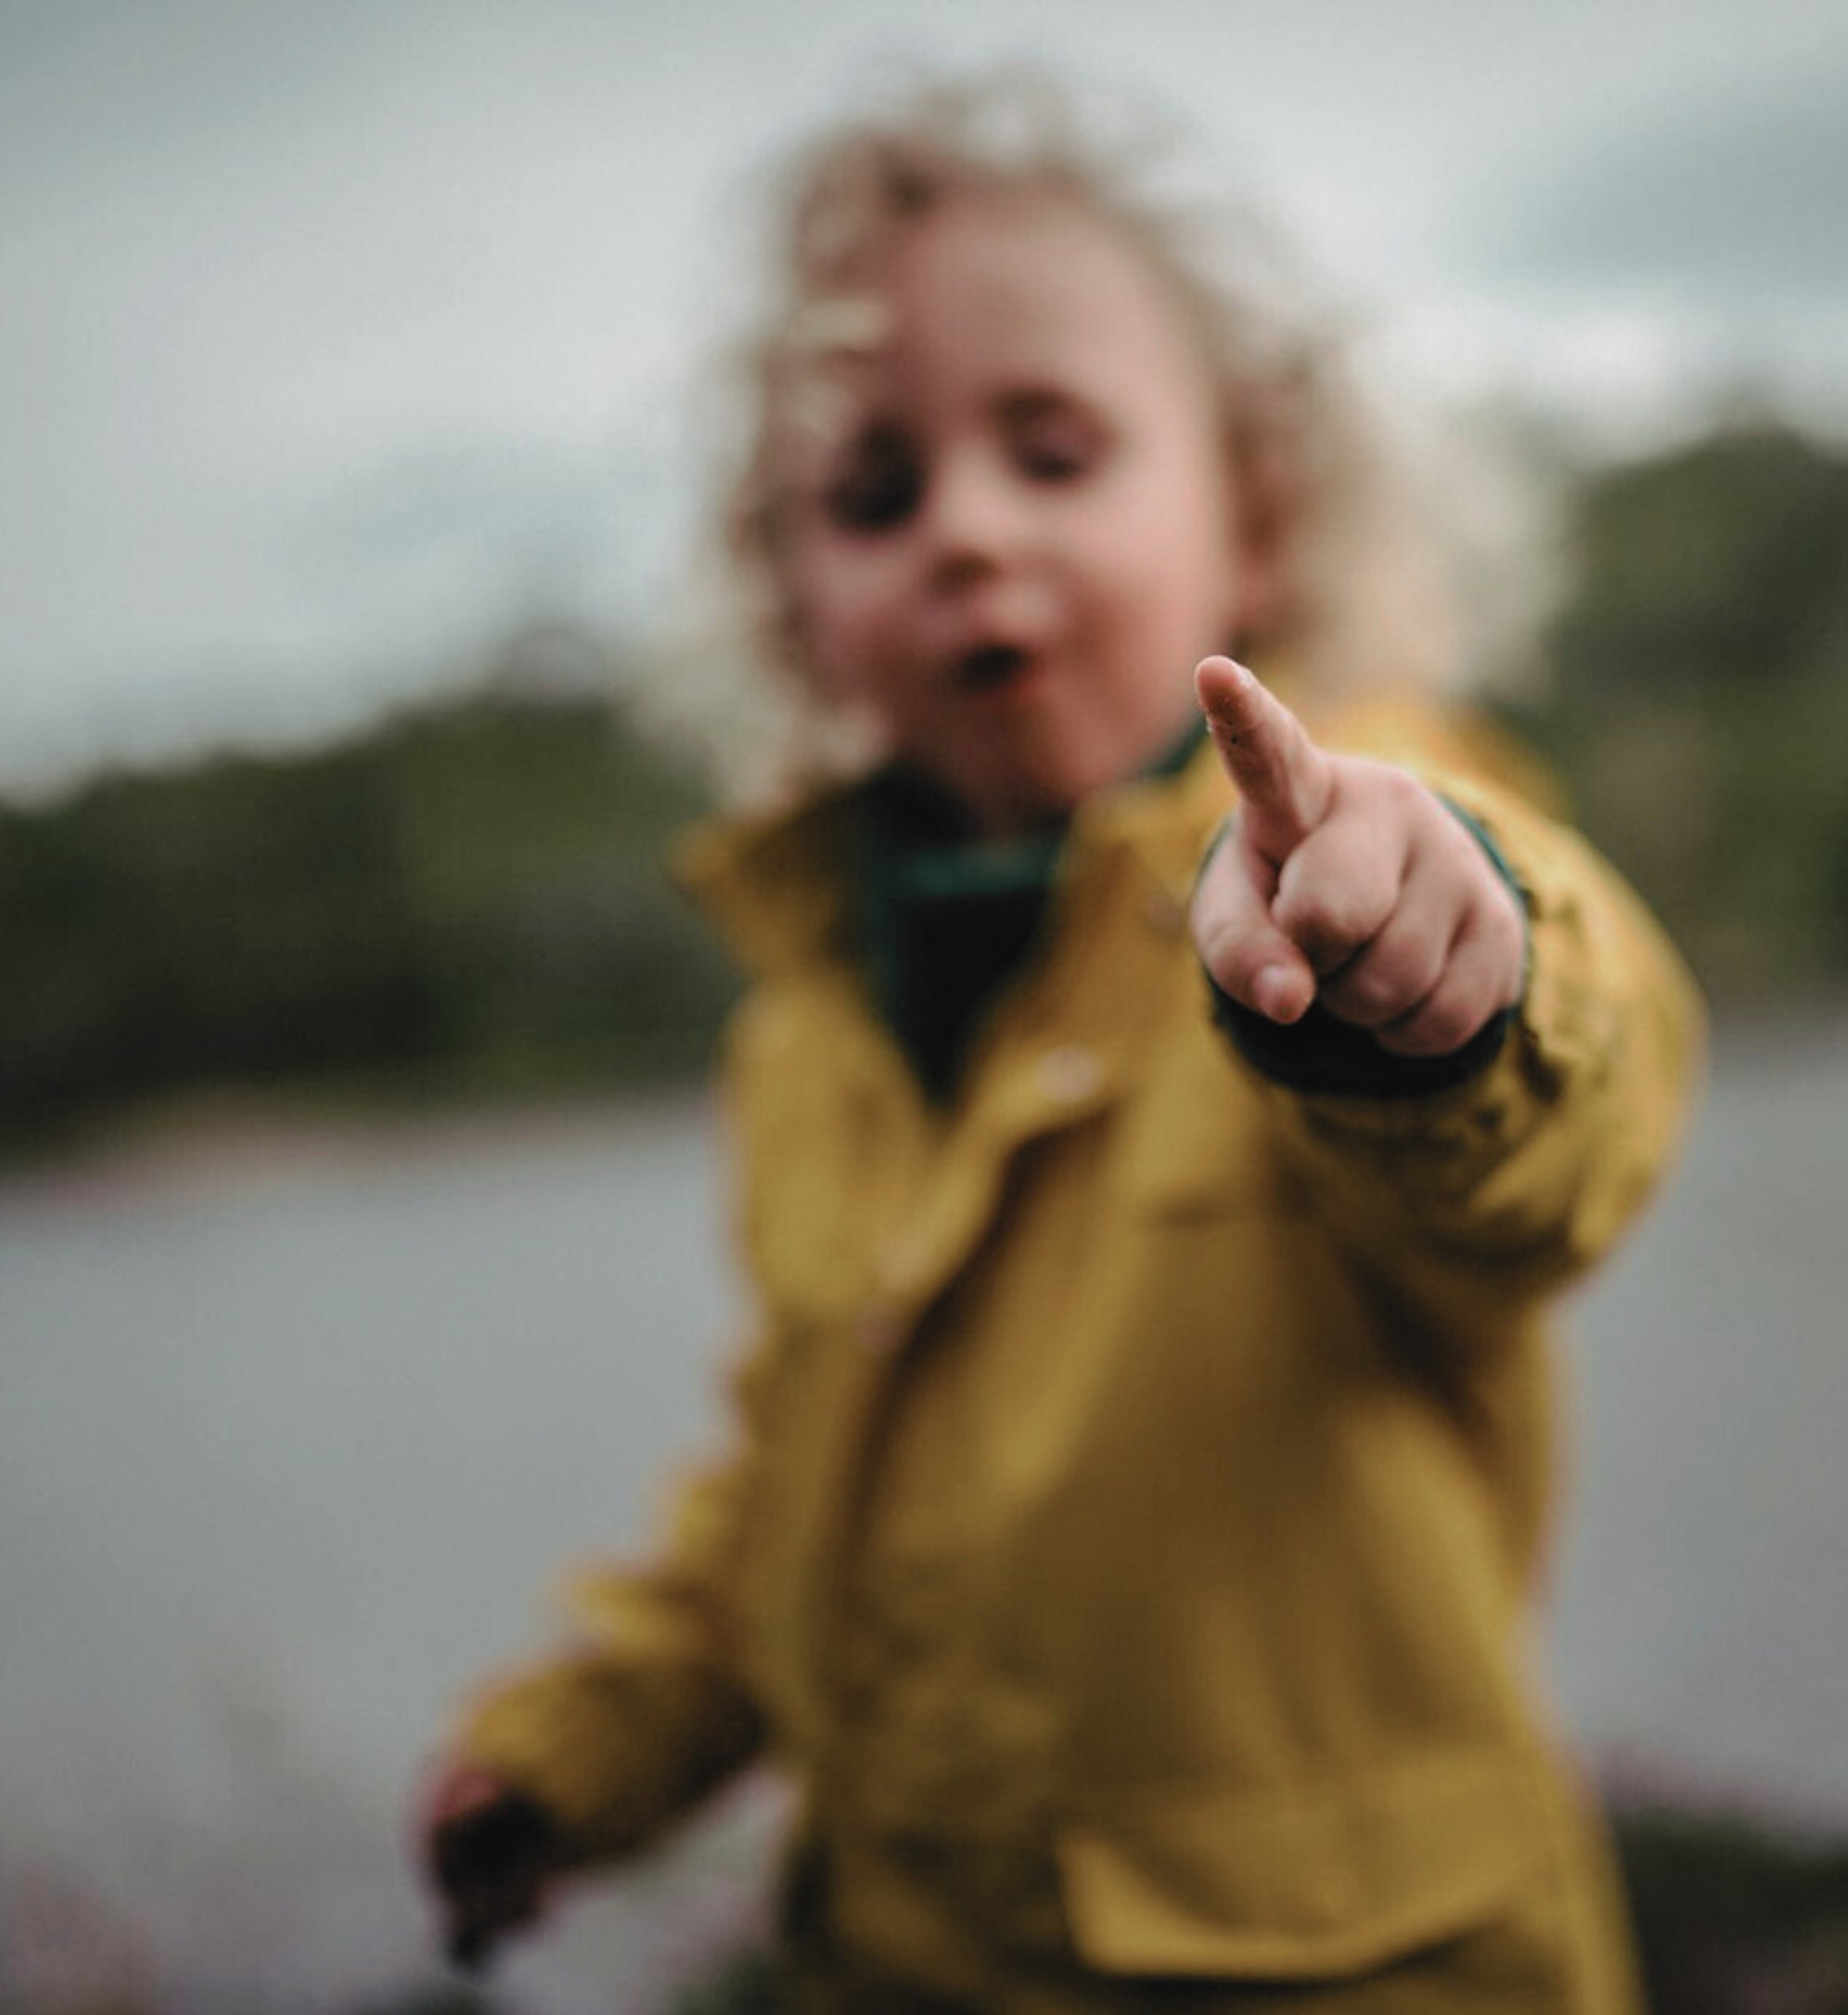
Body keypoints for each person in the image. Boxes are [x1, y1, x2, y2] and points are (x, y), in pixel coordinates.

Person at [417, 69, 1702, 2013]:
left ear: (1251, 514)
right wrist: (591, 1746)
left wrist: (1445, 986)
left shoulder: (1359, 826)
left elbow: (1559, 1124)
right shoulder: (813, 1026)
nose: (963, 531)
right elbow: (800, 1484)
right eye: (872, 491)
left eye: (1054, 449)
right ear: (793, 604)